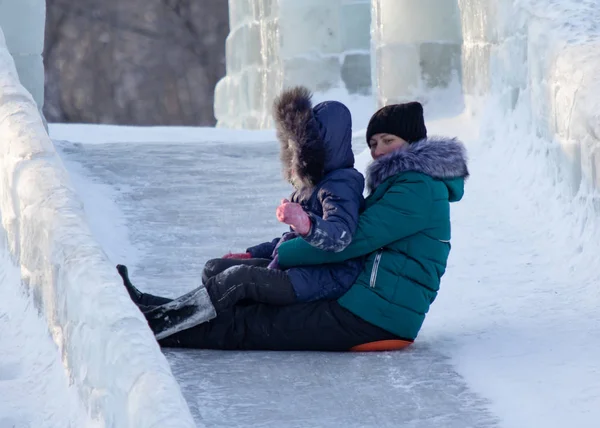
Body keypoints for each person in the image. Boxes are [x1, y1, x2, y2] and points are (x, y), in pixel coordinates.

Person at [123, 100, 469, 351]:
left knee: (252, 323)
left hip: (374, 315)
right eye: (374, 143)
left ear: (413, 143)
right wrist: (261, 252)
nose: (378, 151)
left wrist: (285, 250)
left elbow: (349, 240)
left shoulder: (418, 189)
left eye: (388, 141)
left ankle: (157, 326)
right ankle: (157, 309)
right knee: (238, 283)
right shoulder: (402, 184)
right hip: (362, 299)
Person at [117, 85, 366, 339]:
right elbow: (292, 241)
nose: (294, 154)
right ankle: (152, 305)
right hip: (299, 268)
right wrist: (253, 253)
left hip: (321, 281)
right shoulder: (315, 185)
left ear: (324, 145)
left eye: (301, 145)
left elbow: (341, 236)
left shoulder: (341, 183)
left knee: (238, 279)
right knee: (215, 269)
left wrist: (305, 223)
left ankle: (160, 323)